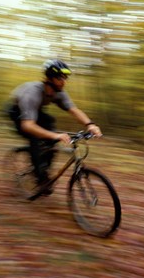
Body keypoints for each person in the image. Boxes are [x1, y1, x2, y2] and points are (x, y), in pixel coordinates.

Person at [7, 59, 102, 192]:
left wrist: (90, 124)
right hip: (17, 112)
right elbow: (27, 125)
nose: (64, 81)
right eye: (60, 77)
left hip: (36, 111)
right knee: (35, 138)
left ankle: (44, 167)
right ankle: (40, 177)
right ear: (49, 78)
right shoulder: (32, 93)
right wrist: (55, 135)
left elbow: (74, 110)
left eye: (65, 77)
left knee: (51, 125)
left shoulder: (59, 93)